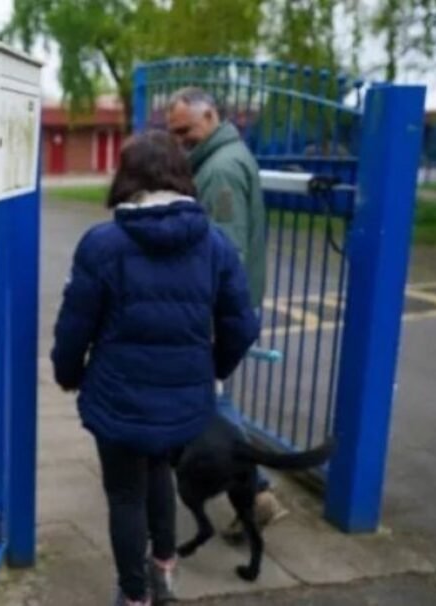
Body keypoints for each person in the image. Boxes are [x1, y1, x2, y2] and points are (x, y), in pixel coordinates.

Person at [51, 131, 260, 606]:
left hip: (118, 398)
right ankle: (164, 573)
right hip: (185, 399)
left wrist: (69, 373)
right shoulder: (215, 244)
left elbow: (74, 326)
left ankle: (133, 595)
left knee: (126, 494)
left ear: (127, 177)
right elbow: (241, 326)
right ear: (181, 175)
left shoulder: (103, 244)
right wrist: (211, 372)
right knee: (160, 475)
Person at [165, 87, 288, 541]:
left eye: (187, 130)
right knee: (213, 396)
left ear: (211, 115)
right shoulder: (228, 156)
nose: (180, 140)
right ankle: (254, 491)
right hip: (228, 302)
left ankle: (257, 493)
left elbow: (226, 250)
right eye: (174, 132)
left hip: (218, 306)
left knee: (211, 397)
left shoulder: (218, 172)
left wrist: (204, 312)